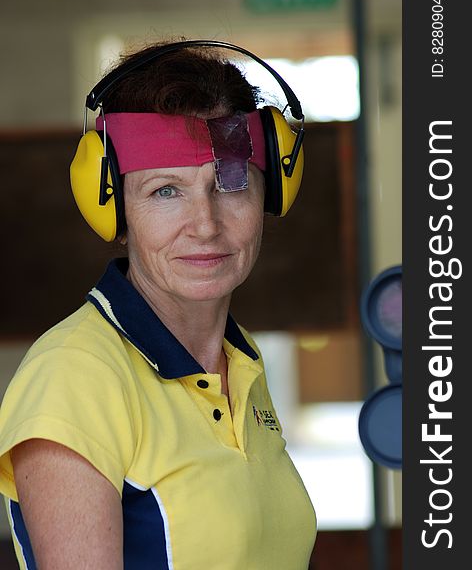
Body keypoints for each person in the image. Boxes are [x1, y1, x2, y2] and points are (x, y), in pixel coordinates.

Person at [0, 39, 316, 569]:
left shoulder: (240, 363)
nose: (206, 225)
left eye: (231, 185)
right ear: (114, 211)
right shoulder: (75, 377)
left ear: (273, 193)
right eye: (165, 191)